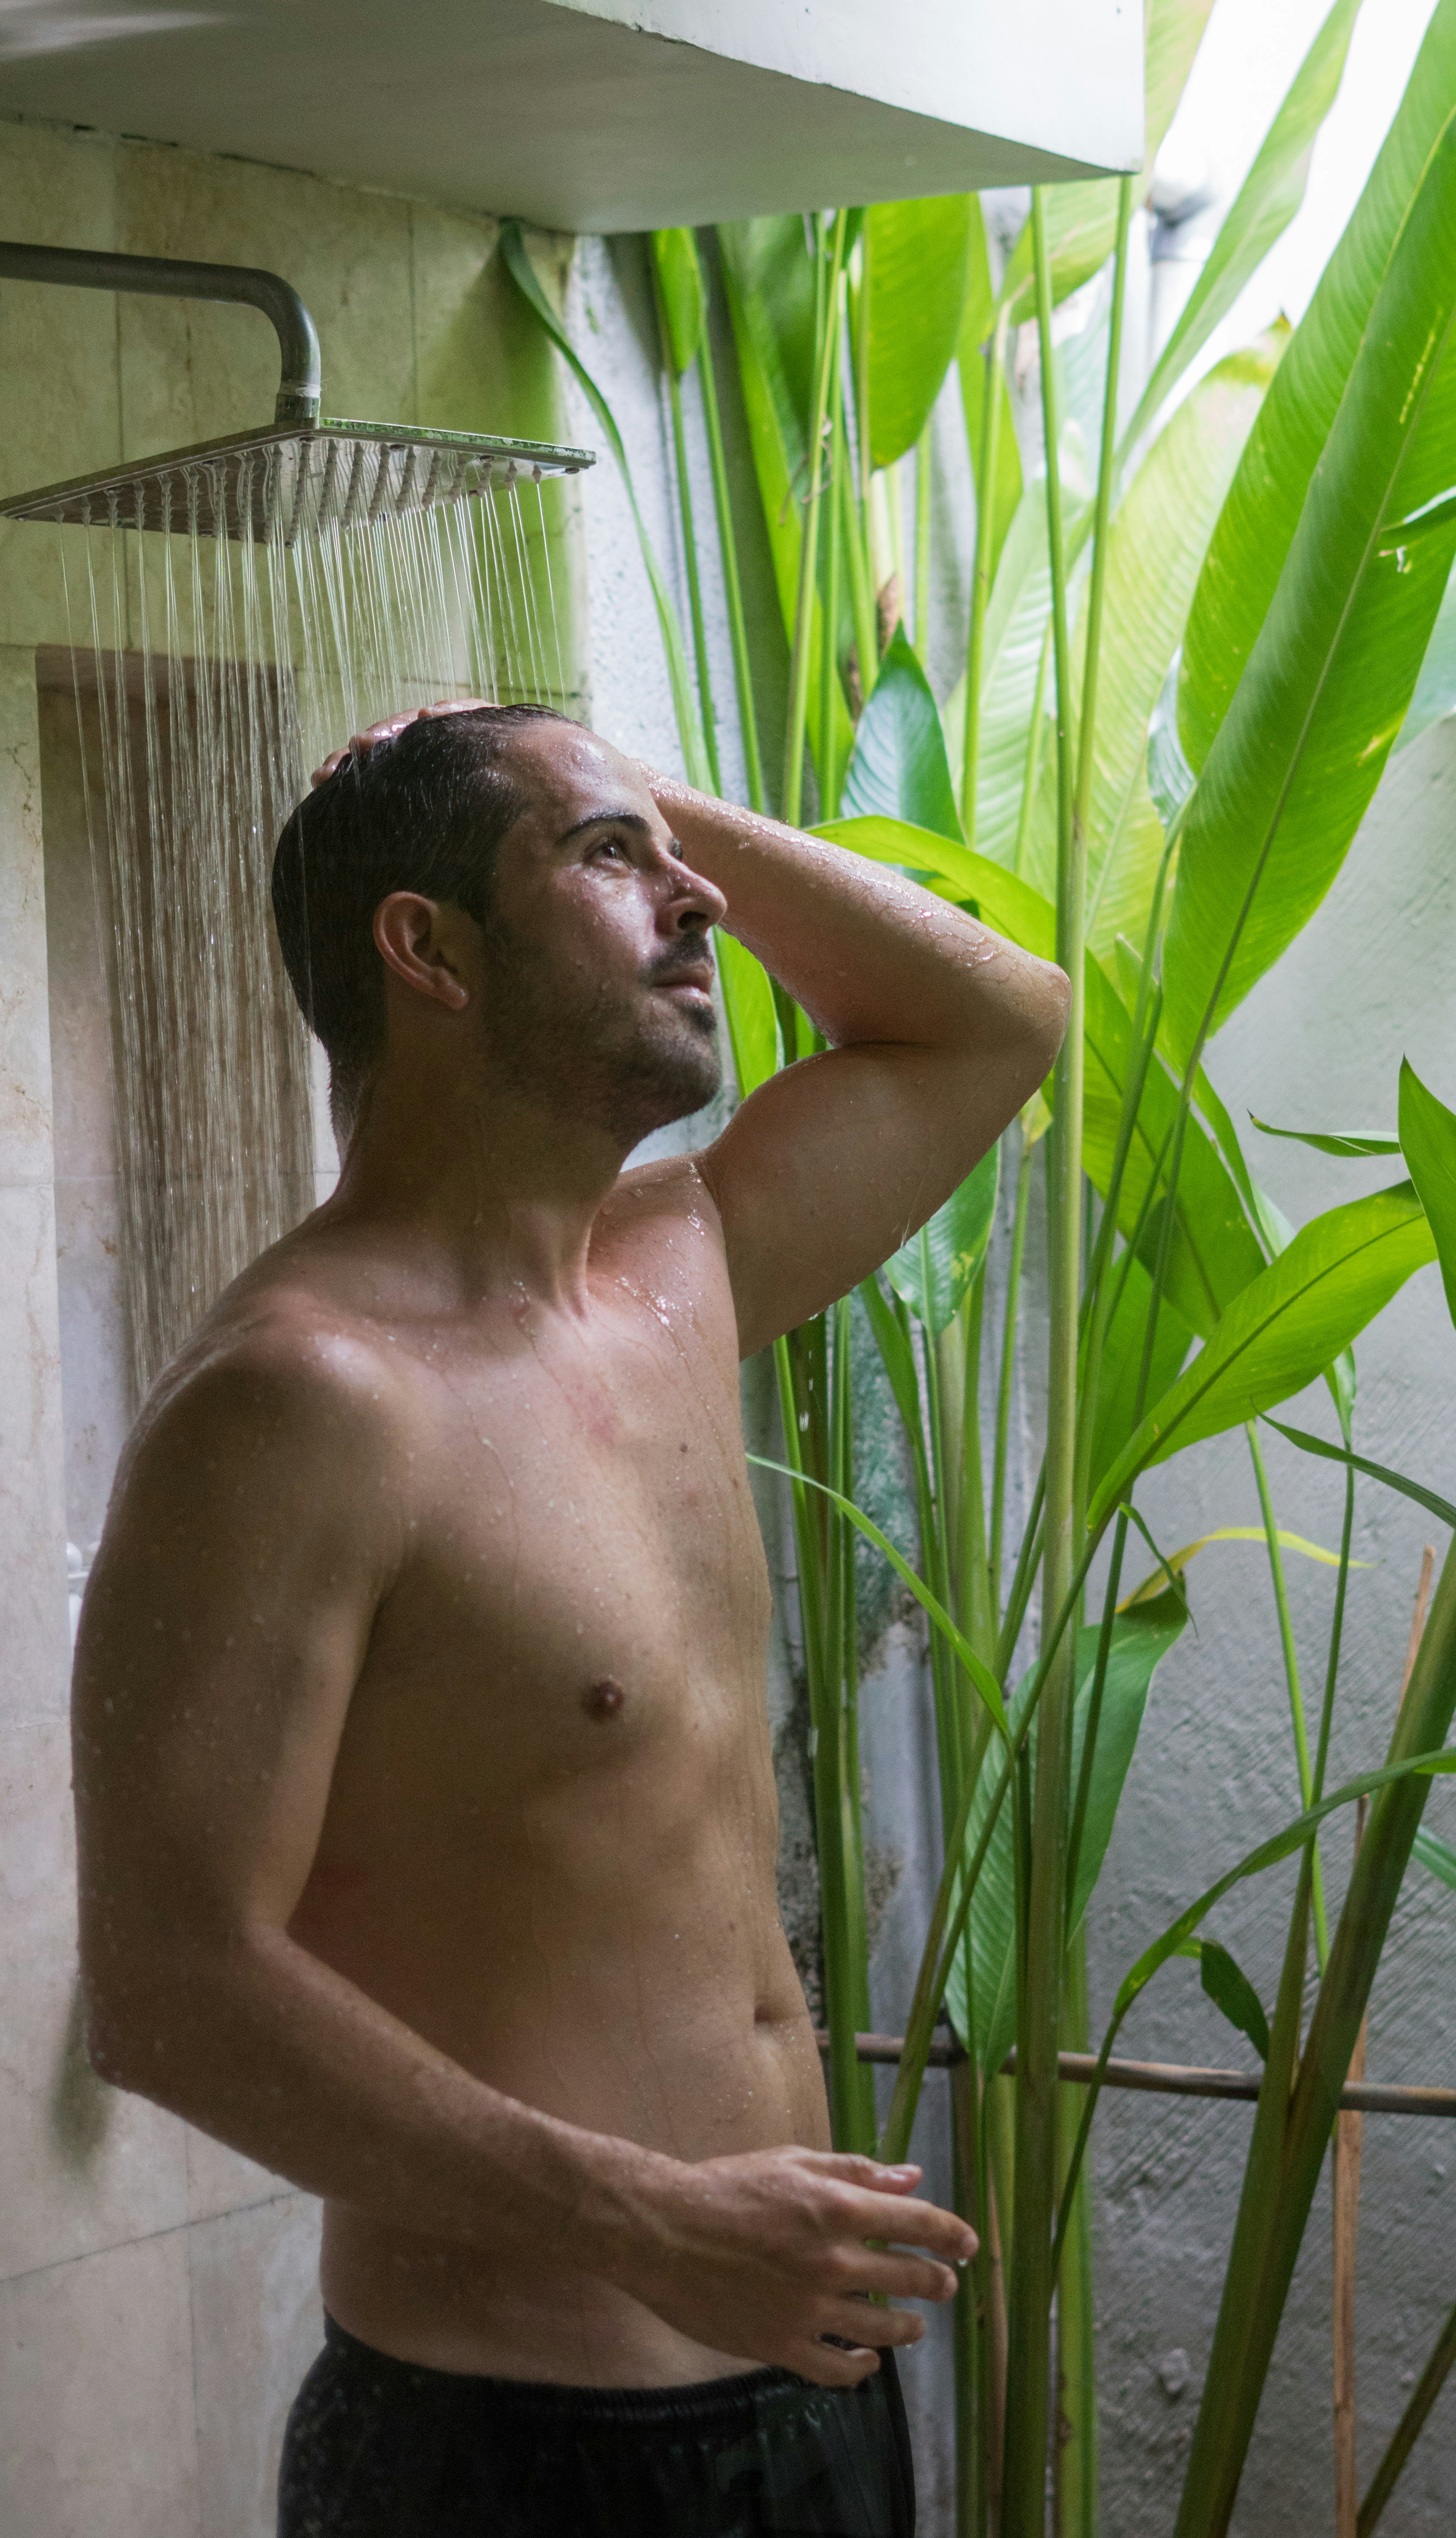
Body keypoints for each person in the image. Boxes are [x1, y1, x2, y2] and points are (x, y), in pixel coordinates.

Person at [70, 699, 1068, 2536]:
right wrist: (650, 2221)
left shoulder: (679, 1273)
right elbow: (167, 1989)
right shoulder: (300, 1401)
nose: (698, 901)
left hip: (806, 2389)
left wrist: (633, 794)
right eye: (612, 862)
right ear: (429, 949)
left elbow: (1002, 1019)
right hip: (515, 2444)